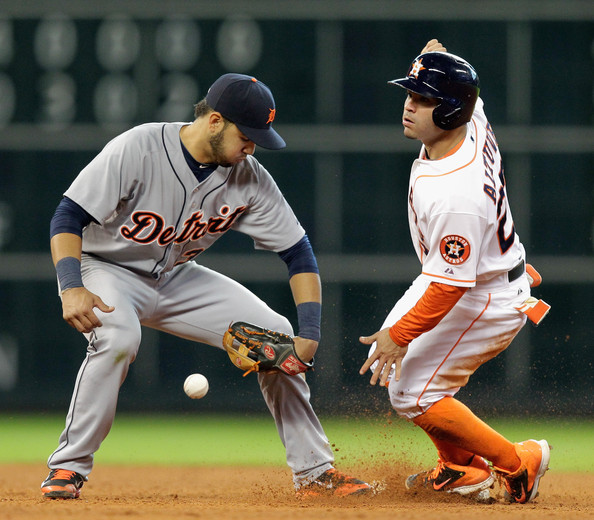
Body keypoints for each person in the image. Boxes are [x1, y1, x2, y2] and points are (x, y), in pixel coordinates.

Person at [41, 73, 370, 499]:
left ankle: (314, 473)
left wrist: (308, 335)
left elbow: (298, 253)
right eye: (246, 136)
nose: (252, 147)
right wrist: (70, 286)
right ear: (214, 121)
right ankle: (67, 468)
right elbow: (68, 217)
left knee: (277, 340)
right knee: (119, 336)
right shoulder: (138, 147)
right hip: (104, 268)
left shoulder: (248, 176)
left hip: (172, 276)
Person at [359, 39, 551, 504]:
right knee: (399, 379)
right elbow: (473, 94)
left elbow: (449, 285)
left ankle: (516, 465)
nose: (408, 106)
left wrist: (401, 333)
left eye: (423, 100)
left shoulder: (454, 194)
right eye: (410, 94)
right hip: (478, 277)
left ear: (447, 112)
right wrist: (440, 60)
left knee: (410, 393)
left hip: (481, 298)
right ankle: (461, 469)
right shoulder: (471, 119)